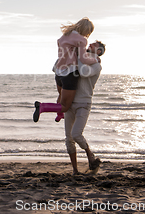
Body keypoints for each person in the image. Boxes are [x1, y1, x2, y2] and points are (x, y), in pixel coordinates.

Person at [33, 18, 97, 123]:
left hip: (58, 72)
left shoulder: (64, 37)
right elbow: (83, 59)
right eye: (89, 32)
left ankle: (59, 115)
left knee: (61, 96)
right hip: (70, 73)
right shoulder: (82, 40)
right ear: (86, 30)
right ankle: (42, 107)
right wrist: (95, 60)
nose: (88, 35)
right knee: (65, 106)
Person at [64, 40, 105, 175]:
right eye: (90, 43)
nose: (90, 45)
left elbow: (83, 72)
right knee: (69, 139)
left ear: (99, 51)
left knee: (76, 134)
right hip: (70, 102)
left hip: (84, 103)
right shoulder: (81, 58)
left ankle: (89, 155)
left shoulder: (97, 66)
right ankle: (75, 170)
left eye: (94, 45)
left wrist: (81, 53)